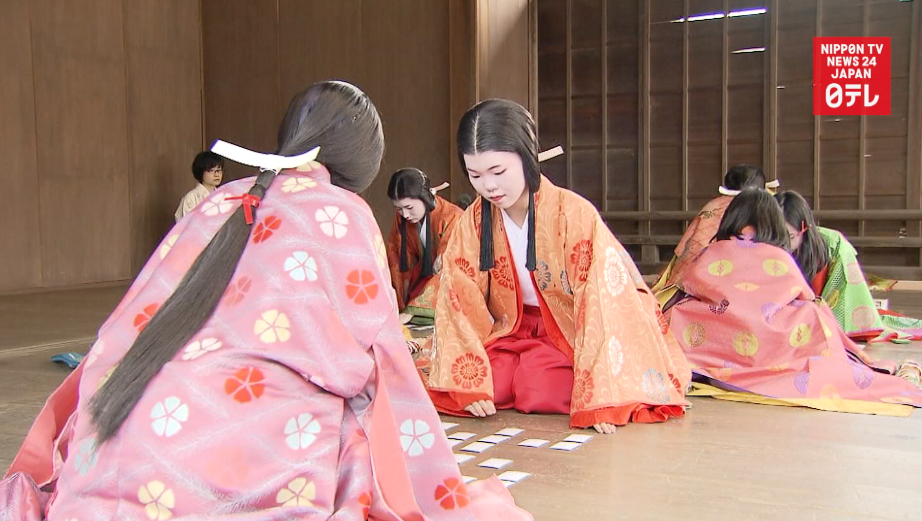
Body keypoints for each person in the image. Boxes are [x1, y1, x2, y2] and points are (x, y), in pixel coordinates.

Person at [2, 81, 532, 521]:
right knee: (359, 427)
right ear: (360, 164)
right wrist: (435, 481)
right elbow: (380, 363)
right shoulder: (340, 211)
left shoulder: (218, 203)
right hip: (238, 467)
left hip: (115, 457)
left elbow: (127, 325)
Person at [423, 99, 691, 435]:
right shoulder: (474, 222)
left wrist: (601, 394)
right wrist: (467, 379)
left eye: (498, 172)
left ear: (526, 156)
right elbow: (458, 299)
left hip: (569, 328)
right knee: (491, 381)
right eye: (475, 175)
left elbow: (601, 299)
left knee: (538, 384)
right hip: (514, 329)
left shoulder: (573, 212)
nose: (488, 186)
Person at [665, 188, 922, 414]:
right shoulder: (778, 256)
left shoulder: (712, 250)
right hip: (764, 339)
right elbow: (804, 295)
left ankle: (698, 366)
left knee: (680, 311)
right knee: (813, 313)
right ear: (773, 223)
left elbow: (689, 284)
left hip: (718, 331)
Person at [774, 190, 922, 342]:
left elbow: (841, 294)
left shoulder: (832, 244)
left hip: (821, 307)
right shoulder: (763, 244)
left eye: (791, 236)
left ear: (805, 228)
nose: (784, 243)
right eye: (778, 236)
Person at [651, 165, 776, 307]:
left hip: (710, 273)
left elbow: (697, 245)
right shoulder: (768, 206)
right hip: (755, 275)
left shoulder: (714, 206)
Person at [386, 168, 463, 326]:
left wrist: (414, 309)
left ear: (424, 197)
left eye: (409, 207)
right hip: (422, 282)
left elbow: (450, 267)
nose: (405, 214)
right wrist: (400, 304)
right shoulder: (403, 219)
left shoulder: (453, 217)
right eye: (399, 209)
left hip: (452, 286)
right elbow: (397, 257)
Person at [174, 151, 225, 222]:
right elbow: (184, 226)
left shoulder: (223, 196)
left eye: (219, 170)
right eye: (211, 171)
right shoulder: (191, 198)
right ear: (201, 172)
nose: (217, 175)